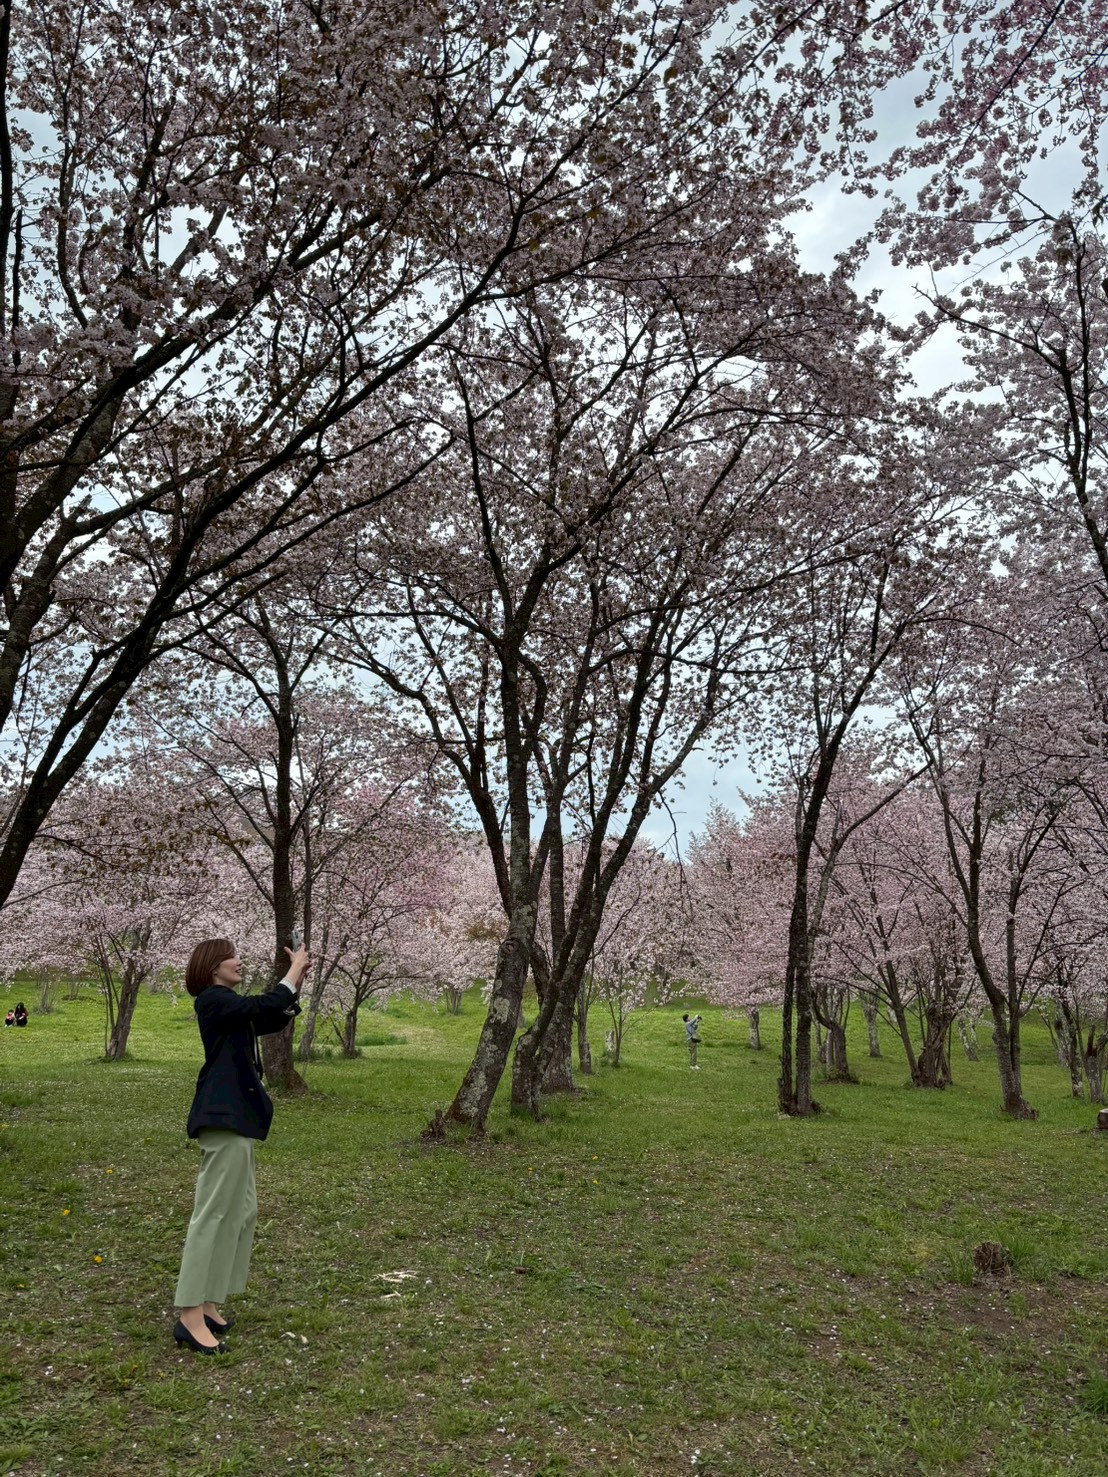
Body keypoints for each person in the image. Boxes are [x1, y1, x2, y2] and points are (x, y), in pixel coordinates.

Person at [172, 938, 309, 1354]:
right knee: (212, 1213)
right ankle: (189, 1313)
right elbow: (259, 1007)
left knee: (240, 1211)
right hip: (222, 1118)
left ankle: (210, 1300)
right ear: (213, 966)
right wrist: (293, 972)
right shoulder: (212, 1001)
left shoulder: (229, 1007)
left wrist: (293, 983)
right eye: (232, 957)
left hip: (238, 1120)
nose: (239, 962)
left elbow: (270, 1016)